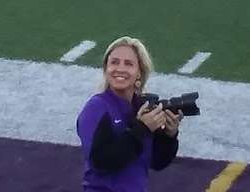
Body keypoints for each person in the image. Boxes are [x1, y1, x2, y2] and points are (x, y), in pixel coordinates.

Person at [76, 37, 181, 192]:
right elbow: (101, 161)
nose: (120, 68)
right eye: (114, 62)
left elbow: (157, 162)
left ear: (139, 72)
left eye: (129, 64)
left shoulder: (142, 107)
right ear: (106, 69)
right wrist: (142, 129)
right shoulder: (96, 108)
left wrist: (169, 136)